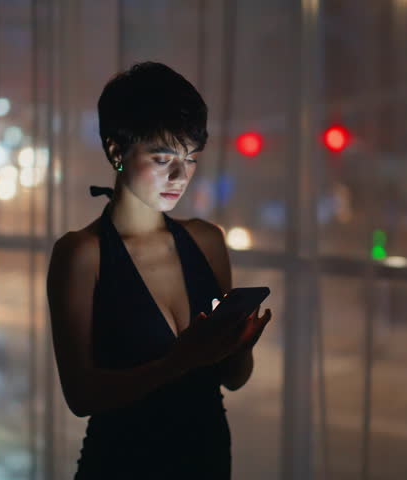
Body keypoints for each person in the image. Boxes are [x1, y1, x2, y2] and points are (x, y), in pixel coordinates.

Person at [46, 61, 273, 479]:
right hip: (121, 465)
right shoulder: (82, 254)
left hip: (207, 460)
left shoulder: (206, 240)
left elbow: (234, 380)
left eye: (191, 159)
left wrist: (239, 345)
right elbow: (80, 395)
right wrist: (178, 361)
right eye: (163, 157)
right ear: (116, 151)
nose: (179, 176)